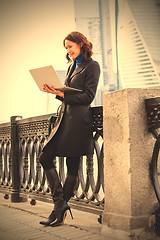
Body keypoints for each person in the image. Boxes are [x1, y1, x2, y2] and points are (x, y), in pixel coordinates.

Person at [39, 31, 100, 227]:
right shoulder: (72, 66)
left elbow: (88, 97)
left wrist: (60, 93)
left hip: (79, 123)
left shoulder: (92, 66)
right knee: (44, 156)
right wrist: (54, 92)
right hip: (64, 120)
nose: (68, 51)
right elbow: (67, 94)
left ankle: (58, 210)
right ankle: (60, 205)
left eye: (70, 47)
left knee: (72, 167)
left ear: (81, 45)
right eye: (66, 48)